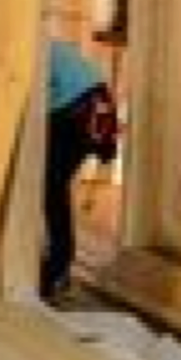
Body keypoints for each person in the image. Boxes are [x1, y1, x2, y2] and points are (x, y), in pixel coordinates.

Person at [40, 38, 113, 308]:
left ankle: (55, 269)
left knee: (51, 189)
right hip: (96, 107)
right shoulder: (55, 47)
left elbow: (39, 101)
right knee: (53, 188)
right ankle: (57, 267)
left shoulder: (33, 49)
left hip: (76, 113)